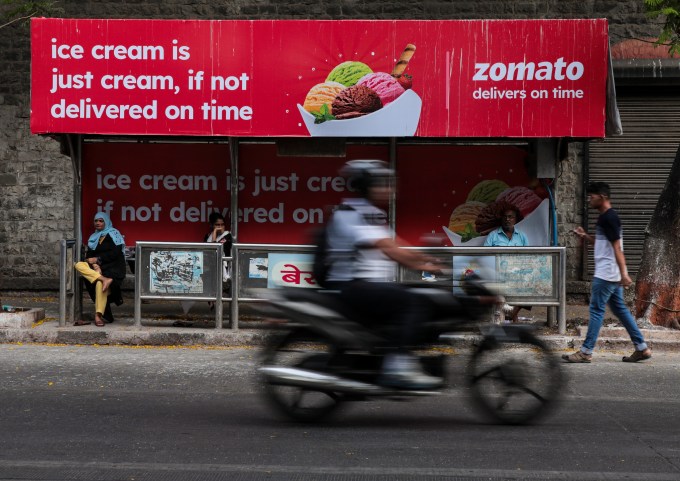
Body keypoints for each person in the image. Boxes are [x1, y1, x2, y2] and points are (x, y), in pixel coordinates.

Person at [324, 159, 443, 390]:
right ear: (366, 186)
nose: (388, 189)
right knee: (412, 303)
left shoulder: (369, 212)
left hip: (364, 285)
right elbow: (388, 248)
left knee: (414, 296)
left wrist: (427, 260)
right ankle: (397, 367)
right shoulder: (353, 212)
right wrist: (422, 266)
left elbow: (395, 244)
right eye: (380, 183)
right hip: (353, 286)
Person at [563, 182, 652, 363]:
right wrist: (585, 237)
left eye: (592, 196)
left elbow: (617, 248)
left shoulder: (609, 218)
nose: (589, 199)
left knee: (596, 310)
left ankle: (586, 352)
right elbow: (604, 244)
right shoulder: (606, 217)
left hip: (606, 275)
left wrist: (624, 273)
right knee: (621, 310)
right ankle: (642, 348)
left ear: (602, 197)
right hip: (611, 274)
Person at [74, 212, 126, 327]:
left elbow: (116, 253)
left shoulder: (114, 234)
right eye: (96, 221)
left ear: (106, 222)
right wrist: (96, 266)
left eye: (101, 221)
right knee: (79, 265)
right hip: (99, 270)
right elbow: (89, 257)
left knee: (99, 284)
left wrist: (98, 260)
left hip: (113, 268)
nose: (97, 223)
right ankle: (103, 278)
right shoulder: (94, 237)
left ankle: (98, 316)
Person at [483, 202, 531, 322]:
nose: (507, 219)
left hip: (517, 273)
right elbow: (485, 256)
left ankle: (513, 312)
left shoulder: (522, 236)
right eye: (505, 217)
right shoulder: (493, 236)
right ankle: (508, 314)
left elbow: (529, 257)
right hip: (497, 272)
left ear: (515, 219)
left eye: (510, 217)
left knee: (530, 285)